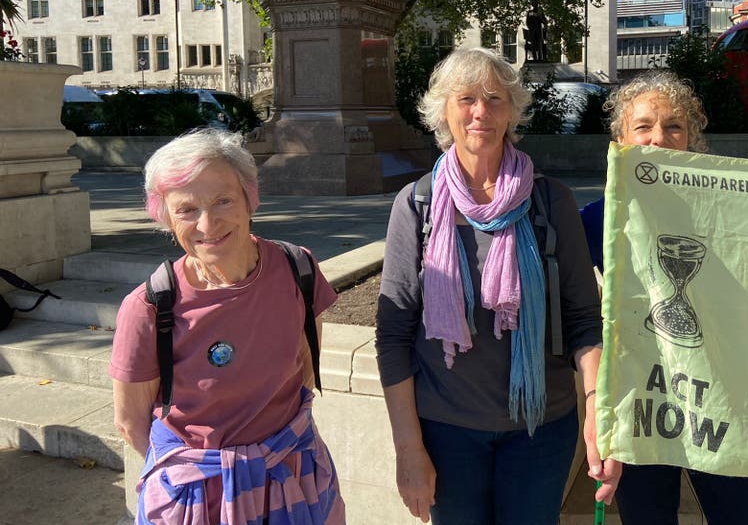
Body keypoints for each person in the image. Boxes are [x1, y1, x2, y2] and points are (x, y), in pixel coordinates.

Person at [375, 47, 620, 524]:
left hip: (541, 430)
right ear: (443, 111)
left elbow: (585, 320)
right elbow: (393, 334)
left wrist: (596, 413)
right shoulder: (416, 205)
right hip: (445, 432)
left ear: (512, 110)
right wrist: (407, 448)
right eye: (466, 98)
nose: (481, 111)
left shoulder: (552, 201)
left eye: (494, 98)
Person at [108, 128, 345, 524]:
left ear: (249, 198)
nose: (207, 223)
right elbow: (131, 424)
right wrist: (209, 471)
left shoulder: (297, 269)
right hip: (197, 499)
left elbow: (304, 367)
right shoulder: (148, 308)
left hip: (295, 476)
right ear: (165, 216)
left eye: (223, 201)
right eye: (186, 209)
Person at [580, 70, 748, 525]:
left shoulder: (734, 213)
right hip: (643, 400)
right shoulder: (597, 220)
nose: (660, 137)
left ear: (692, 139)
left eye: (674, 126)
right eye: (644, 126)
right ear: (621, 138)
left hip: (725, 397)